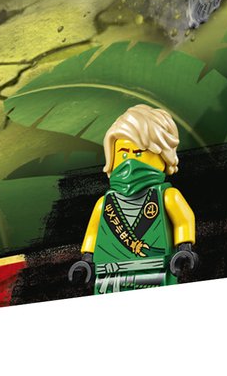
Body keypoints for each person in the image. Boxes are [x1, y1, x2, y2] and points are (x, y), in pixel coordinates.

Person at [69, 104, 199, 293]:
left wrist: (184, 249)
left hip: (155, 272)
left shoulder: (167, 196)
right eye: (123, 153)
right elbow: (93, 233)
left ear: (163, 155)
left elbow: (183, 220)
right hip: (109, 277)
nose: (129, 162)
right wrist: (86, 260)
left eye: (138, 153)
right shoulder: (104, 204)